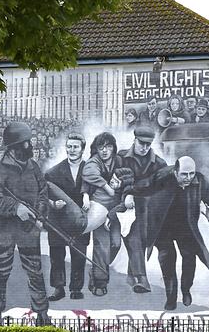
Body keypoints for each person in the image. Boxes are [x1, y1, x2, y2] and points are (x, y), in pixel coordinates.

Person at [0, 122, 51, 326]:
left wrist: (39, 215)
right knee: (0, 272)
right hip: (4, 232)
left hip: (28, 230)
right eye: (26, 143)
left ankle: (42, 313)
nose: (30, 146)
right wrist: (16, 207)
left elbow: (43, 192)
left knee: (35, 271)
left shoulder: (34, 168)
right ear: (14, 147)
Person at [144, 156, 209, 310]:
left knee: (189, 257)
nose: (188, 178)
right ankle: (171, 297)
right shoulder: (162, 177)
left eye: (191, 174)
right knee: (167, 259)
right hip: (163, 226)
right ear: (175, 172)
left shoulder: (200, 181)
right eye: (184, 174)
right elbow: (143, 189)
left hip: (185, 226)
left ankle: (186, 290)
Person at [118, 125, 167, 294]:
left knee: (141, 238)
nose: (145, 148)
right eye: (142, 143)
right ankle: (141, 279)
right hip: (122, 207)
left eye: (148, 144)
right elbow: (113, 181)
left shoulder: (159, 163)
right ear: (134, 139)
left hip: (148, 210)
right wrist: (127, 195)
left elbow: (163, 189)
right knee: (135, 237)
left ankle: (132, 276)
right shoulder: (121, 157)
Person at [44, 133, 89, 301]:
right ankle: (58, 288)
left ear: (82, 149)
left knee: (79, 254)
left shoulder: (90, 170)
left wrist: (88, 197)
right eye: (69, 146)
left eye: (76, 147)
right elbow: (42, 196)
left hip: (80, 221)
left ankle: (76, 288)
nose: (72, 150)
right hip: (58, 220)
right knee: (57, 255)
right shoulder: (53, 172)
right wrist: (52, 204)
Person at [82, 132, 127, 296]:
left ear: (113, 148)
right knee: (102, 245)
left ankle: (96, 269)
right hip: (99, 208)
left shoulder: (120, 161)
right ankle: (100, 282)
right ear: (96, 149)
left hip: (116, 209)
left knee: (115, 244)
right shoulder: (93, 162)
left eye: (108, 146)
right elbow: (88, 175)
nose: (105, 150)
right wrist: (89, 193)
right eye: (101, 147)